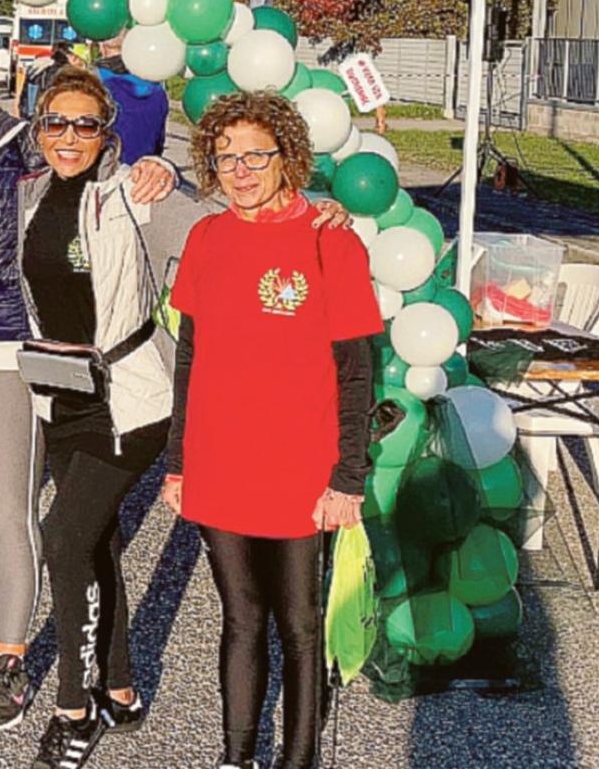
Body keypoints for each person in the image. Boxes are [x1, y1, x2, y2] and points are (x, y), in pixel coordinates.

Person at [0, 32, 177, 730]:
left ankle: (10, 656)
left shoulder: (30, 144)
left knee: (10, 510)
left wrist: (155, 164)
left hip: (3, 352)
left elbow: (99, 162)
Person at [162, 91, 380, 769]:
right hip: (220, 463)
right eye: (226, 157)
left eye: (257, 154)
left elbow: (356, 370)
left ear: (288, 157)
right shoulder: (207, 237)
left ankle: (299, 757)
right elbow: (189, 359)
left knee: (301, 623)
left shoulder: (327, 239)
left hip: (300, 468)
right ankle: (236, 754)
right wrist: (177, 461)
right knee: (240, 616)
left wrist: (348, 476)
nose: (241, 169)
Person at [17, 68, 189, 769]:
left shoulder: (131, 193)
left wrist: (167, 167)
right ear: (38, 127)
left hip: (131, 398)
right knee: (94, 541)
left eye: (86, 124)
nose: (69, 137)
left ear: (107, 134)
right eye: (56, 122)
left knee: (62, 536)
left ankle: (73, 706)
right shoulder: (27, 195)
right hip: (60, 396)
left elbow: (210, 212)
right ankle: (119, 684)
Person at [96, 32, 170, 164]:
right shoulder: (157, 89)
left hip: (104, 171)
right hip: (141, 173)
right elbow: (159, 141)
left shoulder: (94, 85)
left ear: (102, 46)